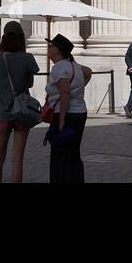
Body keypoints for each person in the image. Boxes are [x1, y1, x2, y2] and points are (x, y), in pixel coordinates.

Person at [0, 20, 40, 183]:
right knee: (17, 159)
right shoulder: (28, 58)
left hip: (2, 112)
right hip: (22, 113)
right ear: (21, 38)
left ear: (4, 38)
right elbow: (30, 83)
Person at [44, 33, 92, 183]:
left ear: (58, 50)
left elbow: (64, 93)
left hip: (65, 114)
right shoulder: (75, 66)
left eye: (51, 46)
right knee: (73, 153)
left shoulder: (59, 68)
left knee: (60, 155)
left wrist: (62, 120)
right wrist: (78, 88)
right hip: (80, 113)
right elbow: (88, 72)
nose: (48, 48)